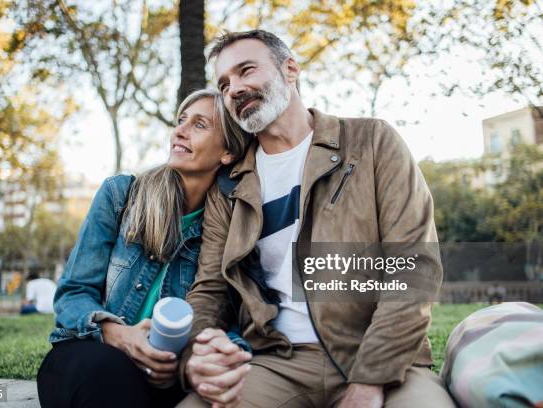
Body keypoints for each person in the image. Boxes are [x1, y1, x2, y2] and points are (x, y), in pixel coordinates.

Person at [177, 30, 455, 408]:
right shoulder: (229, 186)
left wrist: (370, 379)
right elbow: (209, 288)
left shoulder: (372, 142)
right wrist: (196, 351)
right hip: (276, 362)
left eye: (246, 71)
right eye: (224, 84)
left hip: (383, 359)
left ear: (290, 69)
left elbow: (414, 267)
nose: (235, 89)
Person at [36, 89, 251, 408]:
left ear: (228, 152)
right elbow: (73, 294)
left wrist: (204, 359)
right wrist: (120, 335)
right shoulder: (120, 196)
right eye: (181, 120)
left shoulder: (229, 228)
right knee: (108, 372)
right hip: (93, 354)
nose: (180, 130)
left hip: (170, 376)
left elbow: (230, 316)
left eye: (199, 124)